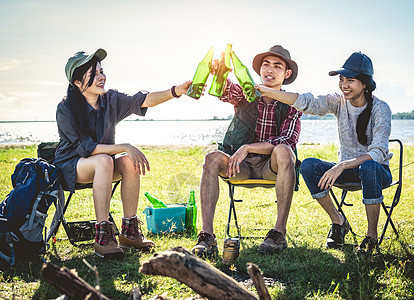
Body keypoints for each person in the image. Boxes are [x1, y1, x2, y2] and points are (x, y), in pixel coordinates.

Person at [54, 49, 192, 259]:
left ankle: (129, 232)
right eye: (94, 74)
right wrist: (125, 145)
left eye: (101, 71)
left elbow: (144, 99)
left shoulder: (111, 100)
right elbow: (87, 148)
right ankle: (102, 234)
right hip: (72, 168)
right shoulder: (65, 108)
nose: (101, 77)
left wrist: (176, 91)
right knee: (104, 160)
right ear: (78, 83)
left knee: (128, 163)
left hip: (103, 166)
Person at [254, 52, 393, 254]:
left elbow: (378, 152)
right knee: (308, 165)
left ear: (365, 84)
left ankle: (371, 237)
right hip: (346, 172)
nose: (344, 85)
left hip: (376, 173)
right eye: (342, 79)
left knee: (369, 165)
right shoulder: (338, 102)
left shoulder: (380, 109)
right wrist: (268, 91)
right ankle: (338, 222)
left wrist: (342, 164)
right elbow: (307, 102)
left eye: (351, 80)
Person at [192, 45, 302, 256]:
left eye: (277, 66)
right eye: (266, 65)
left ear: (287, 74)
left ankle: (278, 233)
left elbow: (288, 139)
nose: (270, 70)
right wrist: (219, 73)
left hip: (272, 167)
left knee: (285, 150)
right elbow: (225, 91)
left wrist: (248, 147)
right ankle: (207, 236)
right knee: (211, 158)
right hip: (239, 166)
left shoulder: (293, 104)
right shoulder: (246, 92)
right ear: (260, 70)